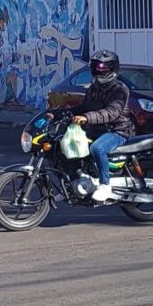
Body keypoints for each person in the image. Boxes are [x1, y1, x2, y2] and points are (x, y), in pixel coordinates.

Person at [57, 50, 135, 202]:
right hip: (97, 130)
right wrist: (59, 113)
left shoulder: (120, 89)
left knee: (97, 148)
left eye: (104, 68)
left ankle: (105, 185)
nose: (100, 70)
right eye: (97, 67)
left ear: (113, 68)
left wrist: (86, 118)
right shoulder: (94, 87)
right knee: (66, 144)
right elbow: (83, 106)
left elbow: (111, 112)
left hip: (118, 131)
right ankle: (72, 184)